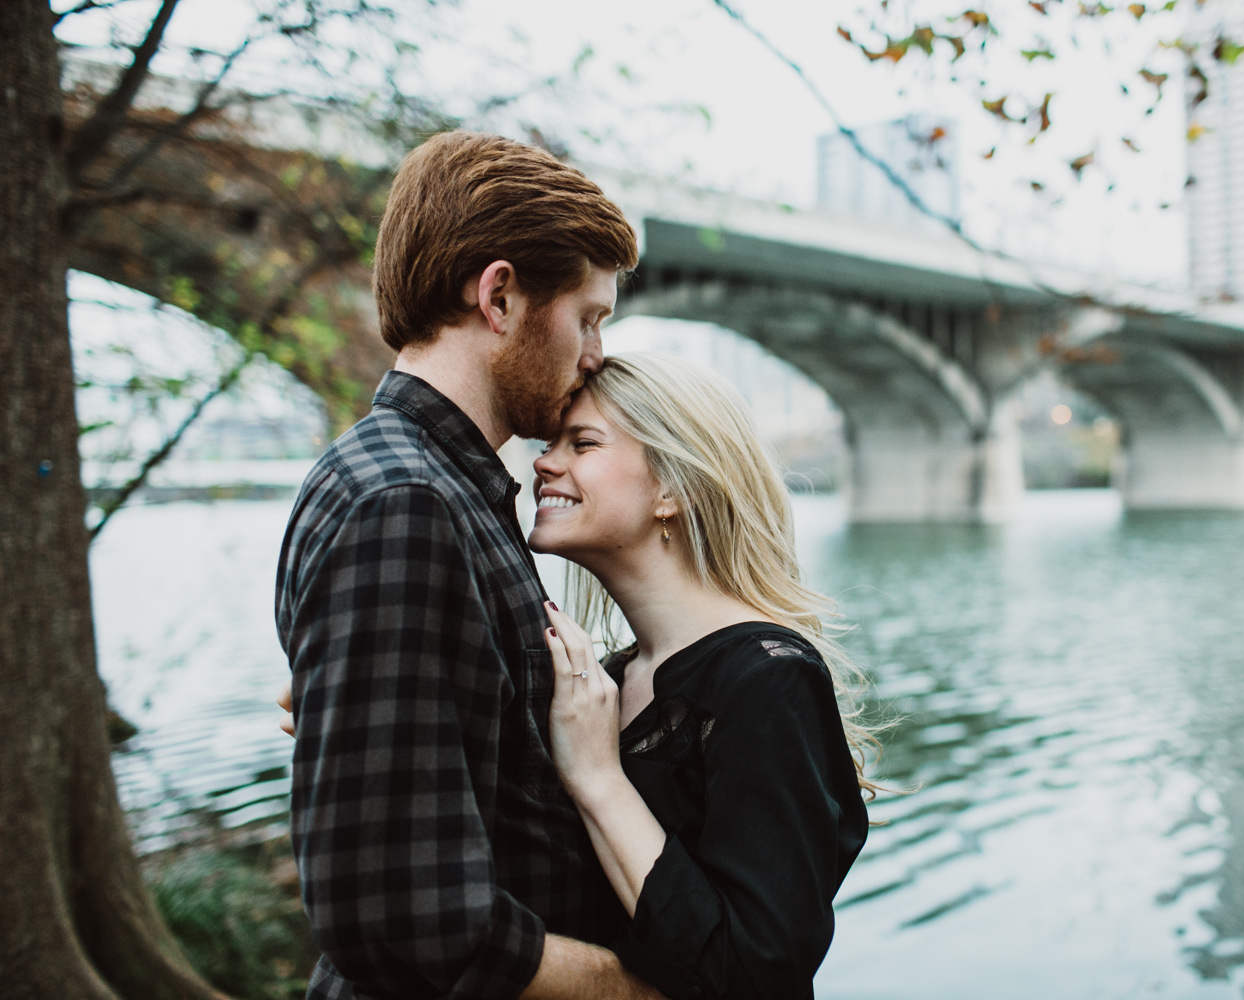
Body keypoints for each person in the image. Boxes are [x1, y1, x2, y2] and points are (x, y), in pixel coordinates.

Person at [274, 129, 661, 1000]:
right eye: (589, 317)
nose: (594, 354)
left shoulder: (430, 489)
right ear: (499, 296)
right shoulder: (405, 506)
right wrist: (641, 992)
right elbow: (403, 918)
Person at [528, 352, 873, 1000]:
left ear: (672, 488)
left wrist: (598, 778)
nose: (544, 461)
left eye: (582, 442)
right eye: (549, 443)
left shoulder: (770, 681)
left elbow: (756, 972)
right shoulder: (604, 681)